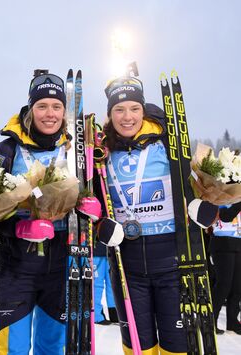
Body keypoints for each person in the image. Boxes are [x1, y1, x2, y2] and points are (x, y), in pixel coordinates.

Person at [95, 75, 190, 353]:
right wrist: (100, 225)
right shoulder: (103, 153)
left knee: (176, 346)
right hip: (128, 267)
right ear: (110, 115)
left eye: (134, 109)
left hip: (170, 264)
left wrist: (201, 206)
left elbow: (190, 187)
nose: (127, 117)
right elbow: (96, 206)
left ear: (143, 110)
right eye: (119, 110)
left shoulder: (165, 143)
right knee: (138, 347)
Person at [0, 70, 74, 354]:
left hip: (61, 264)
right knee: (14, 348)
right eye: (42, 106)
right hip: (15, 265)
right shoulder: (7, 149)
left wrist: (91, 210)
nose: (49, 113)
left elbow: (95, 195)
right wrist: (18, 229)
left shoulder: (75, 150)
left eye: (56, 106)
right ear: (30, 109)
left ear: (64, 111)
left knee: (51, 347)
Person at [209, 202, 241, 334]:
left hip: (238, 242)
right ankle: (211, 321)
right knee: (223, 286)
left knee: (237, 286)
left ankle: (233, 321)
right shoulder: (221, 196)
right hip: (222, 243)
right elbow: (226, 216)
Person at [92, 242, 118, 325]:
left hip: (111, 249)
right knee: (97, 284)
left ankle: (114, 313)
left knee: (112, 282)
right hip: (96, 250)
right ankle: (96, 315)